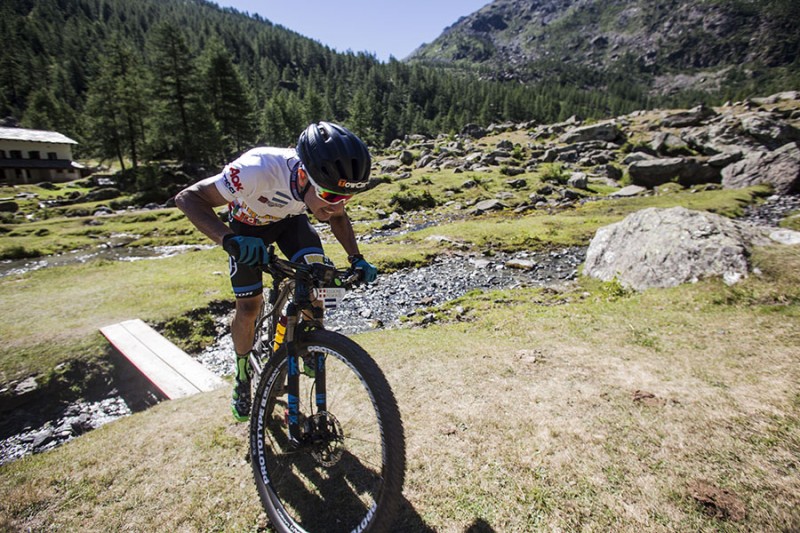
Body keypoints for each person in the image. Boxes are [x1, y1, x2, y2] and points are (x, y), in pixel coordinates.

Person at [175, 121, 378, 421]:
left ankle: (309, 341)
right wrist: (229, 240)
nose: (338, 205)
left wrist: (356, 258)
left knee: (319, 279)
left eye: (346, 197)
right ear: (301, 175)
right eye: (332, 197)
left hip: (291, 225)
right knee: (248, 308)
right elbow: (188, 199)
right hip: (247, 229)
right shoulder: (255, 170)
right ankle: (243, 373)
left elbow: (338, 218)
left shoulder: (325, 185)